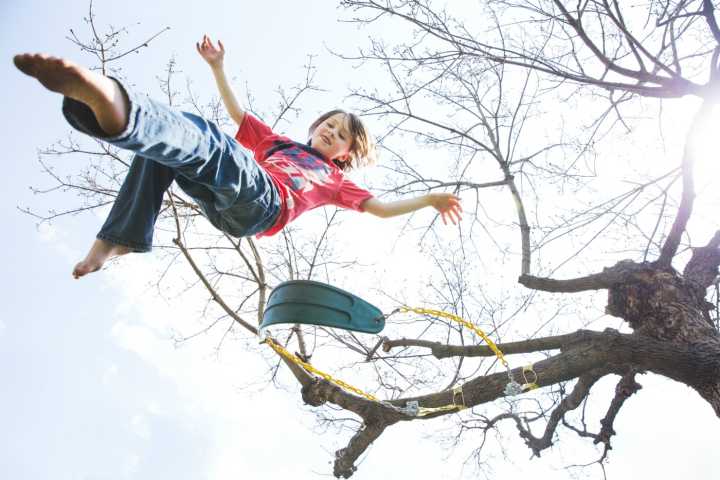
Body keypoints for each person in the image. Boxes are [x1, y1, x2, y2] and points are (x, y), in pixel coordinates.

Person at [13, 35, 462, 279]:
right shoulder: (280, 145)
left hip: (265, 205)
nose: (329, 131)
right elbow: (237, 113)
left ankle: (120, 109)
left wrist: (430, 199)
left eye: (340, 134)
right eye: (328, 124)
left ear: (346, 153)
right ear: (314, 126)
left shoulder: (336, 180)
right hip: (225, 206)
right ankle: (121, 238)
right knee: (166, 151)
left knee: (204, 137)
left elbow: (381, 209)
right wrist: (217, 68)